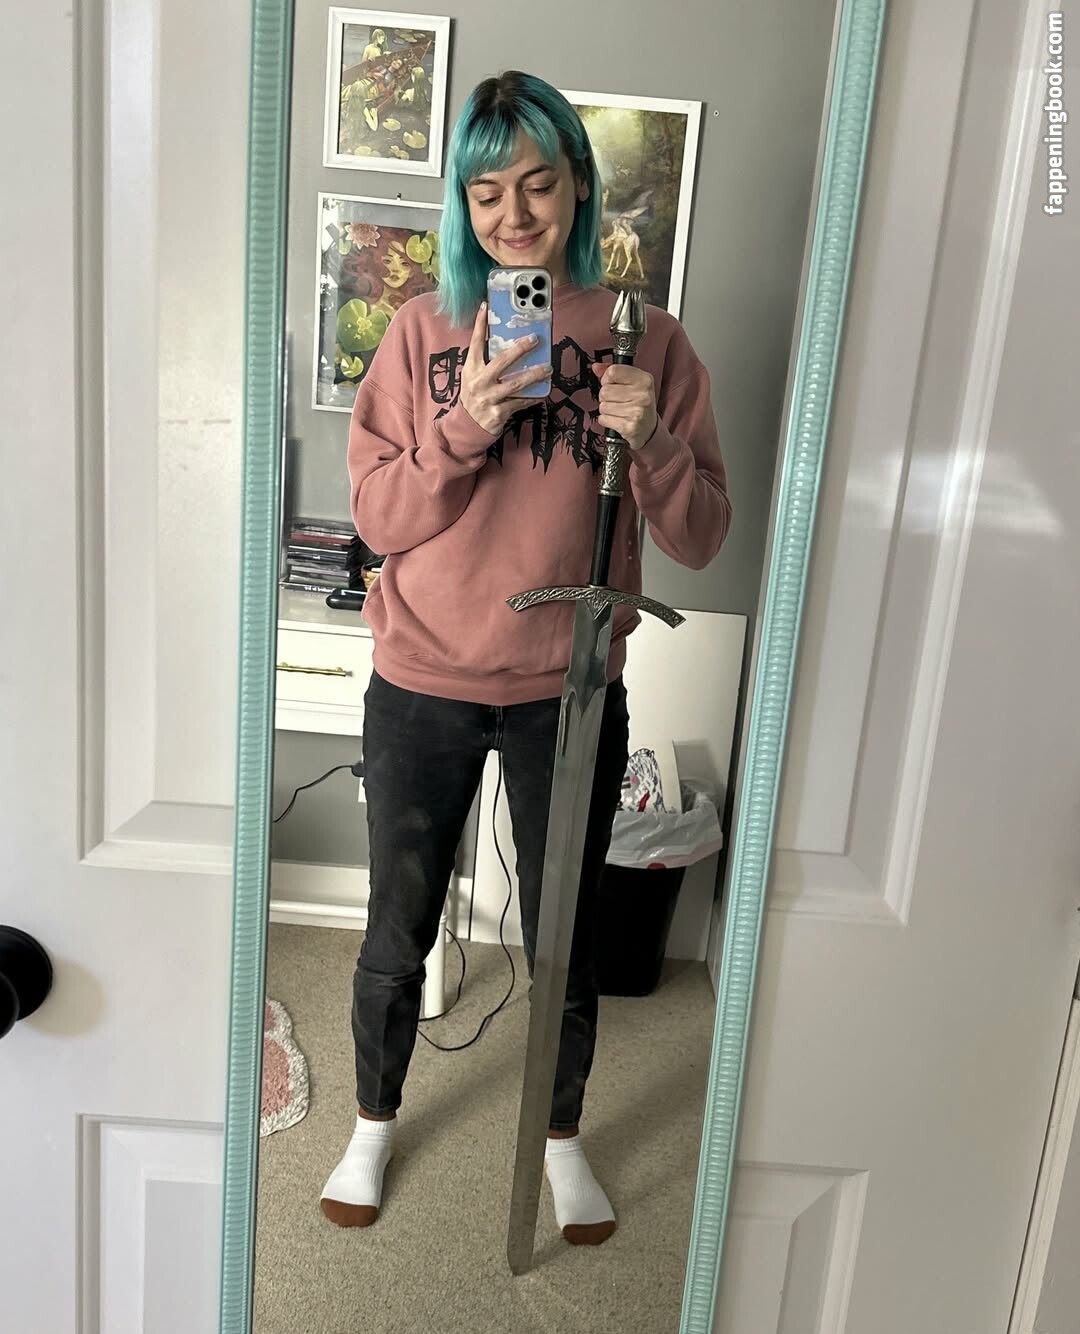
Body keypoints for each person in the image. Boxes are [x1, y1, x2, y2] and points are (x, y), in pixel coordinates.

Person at [320, 70, 732, 1246]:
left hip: (571, 688)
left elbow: (703, 534)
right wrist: (469, 423)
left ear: (579, 188)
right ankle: (371, 1121)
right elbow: (380, 519)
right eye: (487, 191)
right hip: (422, 682)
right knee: (397, 922)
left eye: (539, 184)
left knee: (566, 939)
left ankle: (559, 1138)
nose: (514, 213)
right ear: (463, 202)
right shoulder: (421, 331)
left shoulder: (649, 340)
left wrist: (653, 442)